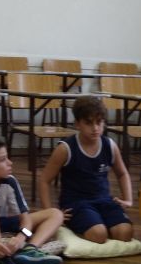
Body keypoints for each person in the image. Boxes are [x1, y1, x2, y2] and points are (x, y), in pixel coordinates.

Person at [38, 96, 134, 243]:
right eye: (89, 123)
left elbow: (122, 174)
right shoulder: (65, 148)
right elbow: (44, 180)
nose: (95, 128)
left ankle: (99, 220)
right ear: (77, 124)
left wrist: (128, 199)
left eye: (99, 122)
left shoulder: (110, 145)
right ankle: (93, 223)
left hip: (104, 200)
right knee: (99, 234)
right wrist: (50, 213)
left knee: (125, 233)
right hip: (76, 202)